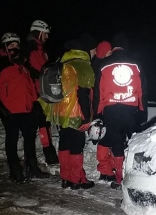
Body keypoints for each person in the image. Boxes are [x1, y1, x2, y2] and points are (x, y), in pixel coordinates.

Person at [39, 33, 98, 189]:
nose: (96, 53)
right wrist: (86, 117)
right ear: (87, 50)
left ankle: (66, 178)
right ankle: (77, 179)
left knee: (65, 143)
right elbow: (83, 94)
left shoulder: (63, 61)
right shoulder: (82, 65)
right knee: (77, 145)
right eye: (94, 50)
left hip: (59, 112)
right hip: (76, 113)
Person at [92, 33, 148, 189]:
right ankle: (138, 176)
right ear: (126, 46)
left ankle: (119, 178)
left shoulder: (104, 65)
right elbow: (142, 91)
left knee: (116, 142)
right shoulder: (136, 64)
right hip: (131, 108)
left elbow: (99, 93)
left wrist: (98, 114)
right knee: (134, 142)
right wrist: (143, 111)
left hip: (111, 109)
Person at [0, 32, 50, 183]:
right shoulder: (1, 65)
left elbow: (30, 86)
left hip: (26, 109)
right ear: (5, 47)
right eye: (11, 45)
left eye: (17, 45)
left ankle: (32, 167)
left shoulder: (23, 65)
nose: (15, 48)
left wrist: (34, 102)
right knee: (12, 139)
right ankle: (15, 170)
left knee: (30, 138)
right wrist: (1, 108)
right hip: (10, 110)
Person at [24, 20, 59, 165]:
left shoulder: (39, 49)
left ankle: (48, 152)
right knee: (40, 123)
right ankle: (47, 153)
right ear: (39, 32)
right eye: (45, 34)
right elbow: (38, 71)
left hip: (42, 91)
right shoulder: (31, 49)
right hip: (35, 92)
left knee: (44, 123)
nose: (47, 37)